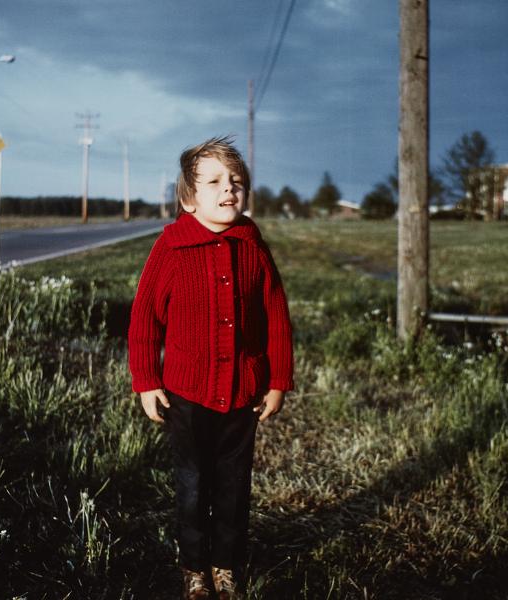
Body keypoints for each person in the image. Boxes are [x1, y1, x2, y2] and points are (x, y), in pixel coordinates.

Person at [128, 136, 294, 599]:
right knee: (192, 484)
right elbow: (144, 318)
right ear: (188, 197)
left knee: (234, 486)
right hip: (187, 393)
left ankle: (225, 565)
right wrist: (147, 381)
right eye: (215, 182)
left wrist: (278, 380)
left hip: (243, 393)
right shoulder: (173, 248)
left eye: (236, 182)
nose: (229, 191)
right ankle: (193, 567)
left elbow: (276, 315)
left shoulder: (251, 245)